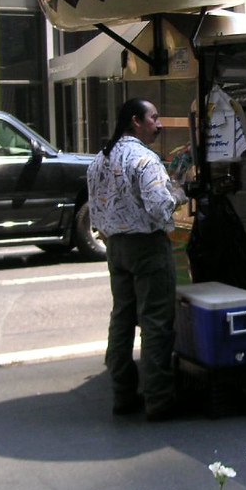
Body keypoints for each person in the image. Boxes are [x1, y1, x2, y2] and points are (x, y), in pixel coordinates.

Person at [87, 98, 187, 419]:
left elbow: (96, 208)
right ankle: (159, 400)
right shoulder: (144, 160)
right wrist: (179, 194)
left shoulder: (100, 159)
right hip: (147, 247)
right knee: (156, 323)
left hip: (115, 248)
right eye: (154, 118)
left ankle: (123, 395)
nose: (158, 125)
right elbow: (160, 206)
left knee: (121, 320)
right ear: (135, 121)